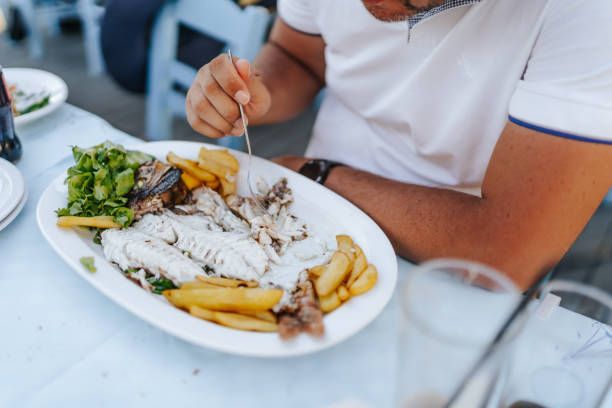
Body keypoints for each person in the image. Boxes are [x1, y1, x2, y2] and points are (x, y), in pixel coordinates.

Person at [185, 0, 612, 290]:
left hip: (450, 278)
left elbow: (507, 253)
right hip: (301, 221)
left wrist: (313, 174)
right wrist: (257, 93)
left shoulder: (592, 17)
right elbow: (296, 54)